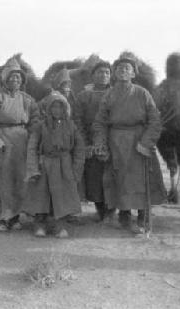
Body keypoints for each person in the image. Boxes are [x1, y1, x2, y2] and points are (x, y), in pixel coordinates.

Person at [93, 56, 166, 233]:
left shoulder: (142, 93)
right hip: (116, 142)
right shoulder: (109, 95)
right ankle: (124, 215)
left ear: (133, 73)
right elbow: (100, 122)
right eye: (119, 68)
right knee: (120, 180)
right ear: (114, 73)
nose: (123, 71)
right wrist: (101, 142)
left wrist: (146, 142)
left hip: (139, 142)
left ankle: (143, 215)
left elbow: (155, 120)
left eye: (127, 68)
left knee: (141, 180)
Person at [0, 58, 40, 231]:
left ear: (23, 80)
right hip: (3, 141)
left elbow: (35, 120)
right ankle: (6, 217)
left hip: (23, 142)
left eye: (18, 77)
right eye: (12, 77)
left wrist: (35, 139)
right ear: (5, 79)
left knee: (23, 178)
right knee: (4, 179)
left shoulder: (28, 100)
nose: (15, 80)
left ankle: (20, 214)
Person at [24, 92, 85, 238]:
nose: (57, 110)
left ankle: (60, 225)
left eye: (60, 107)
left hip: (64, 165)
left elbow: (79, 148)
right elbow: (32, 147)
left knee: (62, 196)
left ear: (65, 109)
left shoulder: (71, 126)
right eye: (54, 107)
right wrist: (33, 168)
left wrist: (76, 170)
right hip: (45, 164)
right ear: (48, 109)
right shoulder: (40, 126)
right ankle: (40, 224)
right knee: (41, 195)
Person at [73, 61, 116, 222]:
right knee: (94, 177)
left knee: (113, 176)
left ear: (111, 76)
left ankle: (112, 211)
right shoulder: (83, 96)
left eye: (106, 72)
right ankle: (101, 210)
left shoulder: (116, 94)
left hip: (113, 141)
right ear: (92, 75)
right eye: (99, 72)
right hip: (90, 142)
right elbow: (77, 120)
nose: (103, 75)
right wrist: (84, 143)